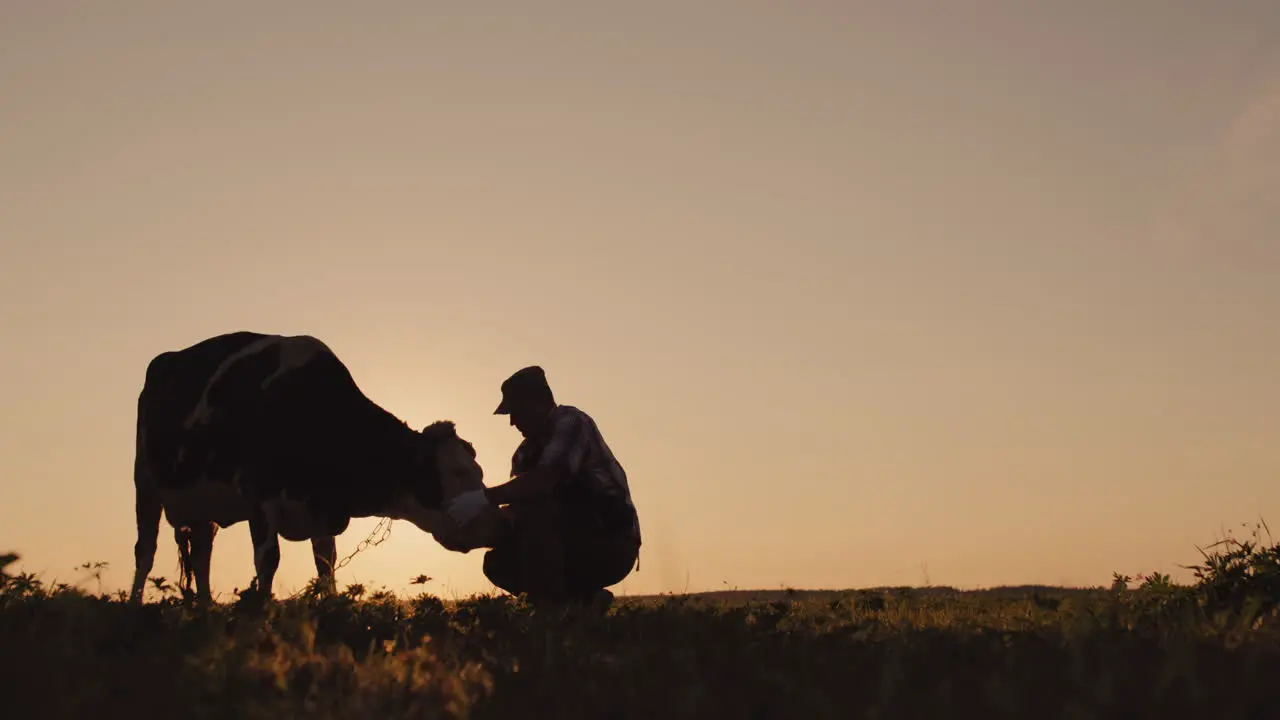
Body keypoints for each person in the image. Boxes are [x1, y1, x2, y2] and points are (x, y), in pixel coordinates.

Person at [445, 365, 641, 610]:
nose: (513, 422)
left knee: (538, 511)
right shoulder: (524, 453)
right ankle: (581, 604)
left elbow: (543, 482)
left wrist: (481, 499)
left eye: (516, 412)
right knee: (498, 562)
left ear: (539, 402)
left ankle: (554, 614)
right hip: (568, 541)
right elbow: (516, 511)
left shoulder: (571, 422)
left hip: (611, 542)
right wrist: (471, 529)